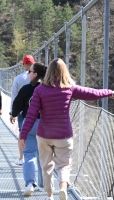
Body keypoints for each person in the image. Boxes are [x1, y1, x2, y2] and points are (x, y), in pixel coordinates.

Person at [20, 58, 114, 200]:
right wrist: (109, 92)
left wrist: (23, 135)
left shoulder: (39, 90)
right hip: (63, 135)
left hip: (44, 135)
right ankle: (63, 187)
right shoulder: (70, 87)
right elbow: (91, 93)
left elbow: (31, 114)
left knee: (46, 166)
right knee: (63, 165)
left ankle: (49, 195)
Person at [10, 63, 46, 196]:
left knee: (29, 154)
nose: (28, 74)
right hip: (45, 125)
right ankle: (43, 185)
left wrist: (13, 114)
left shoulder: (26, 89)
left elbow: (16, 107)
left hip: (29, 125)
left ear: (35, 74)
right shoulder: (48, 89)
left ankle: (30, 183)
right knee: (44, 156)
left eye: (30, 72)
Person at [10, 54, 35, 165]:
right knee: (36, 134)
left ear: (23, 64)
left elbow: (14, 97)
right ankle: (36, 158)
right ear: (33, 63)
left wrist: (12, 113)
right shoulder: (39, 77)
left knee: (22, 134)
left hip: (22, 112)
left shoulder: (18, 79)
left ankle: (21, 158)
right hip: (37, 111)